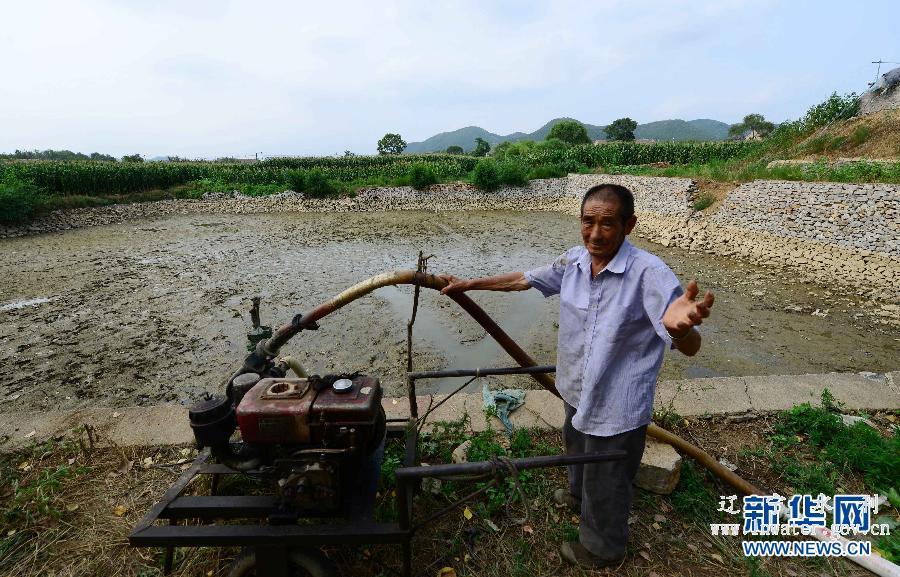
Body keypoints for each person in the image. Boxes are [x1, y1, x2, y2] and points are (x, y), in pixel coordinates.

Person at [439, 183, 714, 568]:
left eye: (607, 223)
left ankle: (602, 548)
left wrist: (682, 329)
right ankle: (576, 497)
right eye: (588, 221)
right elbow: (524, 279)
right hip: (575, 388)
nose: (596, 234)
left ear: (629, 225)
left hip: (616, 401)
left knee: (607, 477)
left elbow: (690, 343)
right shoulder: (574, 262)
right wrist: (469, 284)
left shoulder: (650, 275)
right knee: (576, 448)